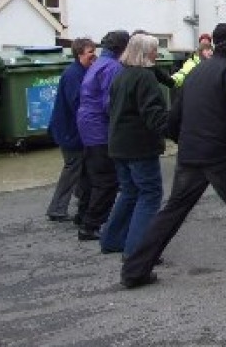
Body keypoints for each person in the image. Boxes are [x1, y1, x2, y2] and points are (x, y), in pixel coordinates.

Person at [119, 24, 226, 291]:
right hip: (219, 156)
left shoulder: (195, 72)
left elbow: (172, 119)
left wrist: (186, 142)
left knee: (172, 212)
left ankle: (134, 270)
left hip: (190, 155)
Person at [100, 34, 168, 258]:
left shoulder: (122, 75)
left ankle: (112, 238)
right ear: (146, 53)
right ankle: (138, 251)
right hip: (139, 146)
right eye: (154, 51)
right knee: (149, 194)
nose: (157, 55)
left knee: (130, 192)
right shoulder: (144, 77)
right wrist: (175, 130)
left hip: (118, 143)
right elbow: (153, 115)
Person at [76, 30, 130, 241]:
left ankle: (83, 217)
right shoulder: (113, 67)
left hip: (87, 124)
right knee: (107, 180)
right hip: (99, 127)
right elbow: (110, 102)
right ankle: (91, 225)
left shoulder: (100, 64)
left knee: (92, 174)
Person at [45, 37, 97, 222]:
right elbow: (78, 103)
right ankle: (57, 208)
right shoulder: (73, 75)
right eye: (90, 52)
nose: (94, 55)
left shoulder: (81, 71)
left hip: (73, 130)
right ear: (79, 53)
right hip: (70, 131)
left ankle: (83, 203)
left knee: (82, 167)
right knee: (73, 168)